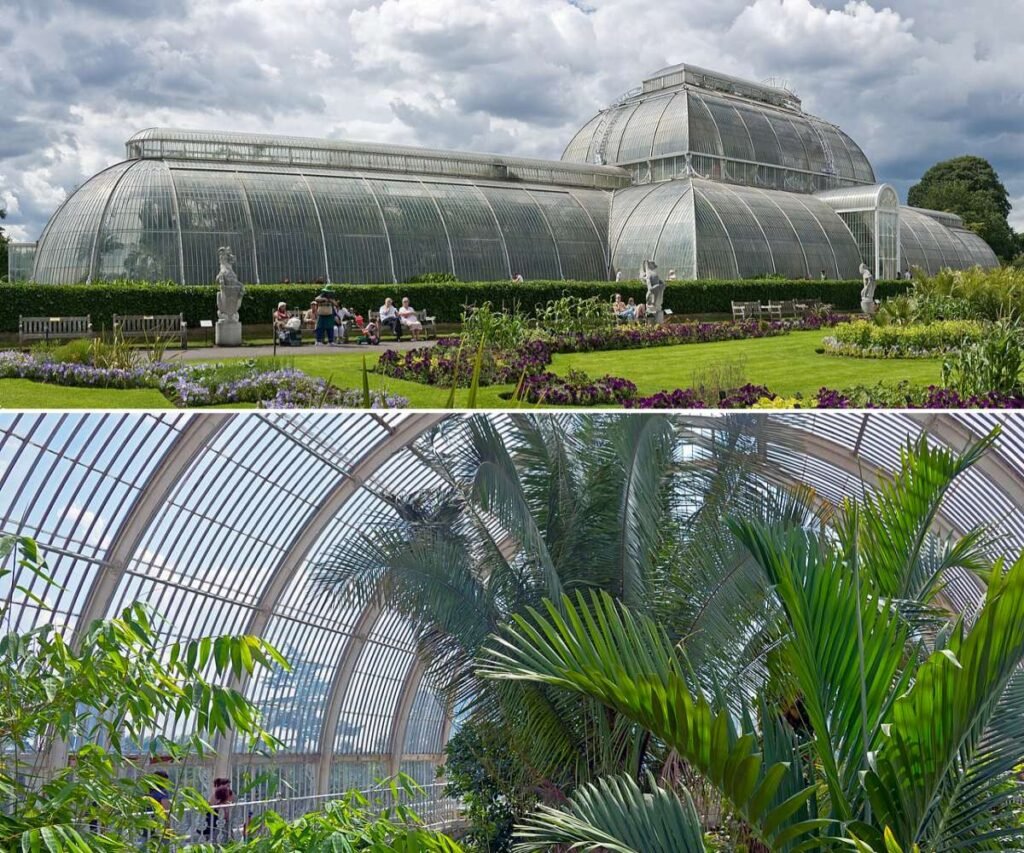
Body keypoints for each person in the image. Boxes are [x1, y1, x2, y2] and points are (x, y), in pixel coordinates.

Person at [202, 777, 235, 843]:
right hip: (216, 821)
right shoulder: (216, 795)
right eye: (227, 786)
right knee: (216, 837)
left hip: (223, 821)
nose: (228, 788)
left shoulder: (229, 794)